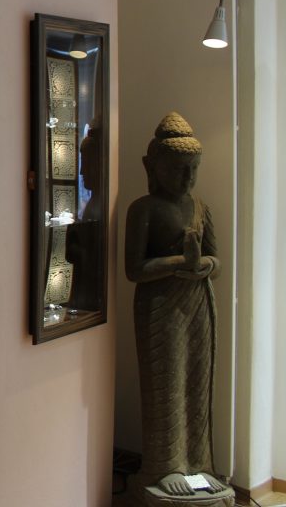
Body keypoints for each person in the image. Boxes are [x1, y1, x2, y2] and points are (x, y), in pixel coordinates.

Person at [124, 112, 227, 499]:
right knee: (166, 381)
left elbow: (216, 260)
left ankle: (198, 464)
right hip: (159, 308)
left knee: (198, 382)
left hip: (198, 303)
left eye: (193, 169)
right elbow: (135, 269)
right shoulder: (144, 208)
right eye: (178, 169)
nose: (187, 178)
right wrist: (179, 262)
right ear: (152, 167)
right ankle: (165, 465)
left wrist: (203, 265)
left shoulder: (199, 206)